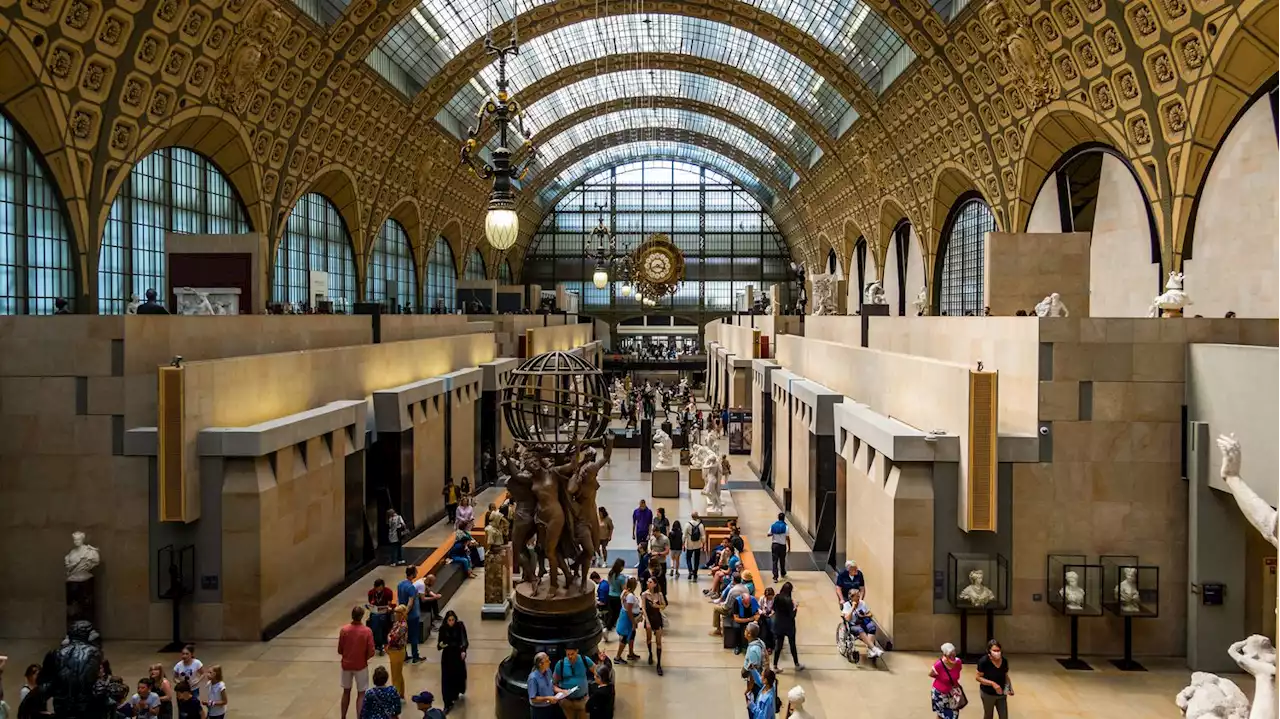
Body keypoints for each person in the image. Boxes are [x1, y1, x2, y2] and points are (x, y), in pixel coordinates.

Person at [339, 605, 376, 719]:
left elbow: (340, 649)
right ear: (361, 616)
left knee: (346, 692)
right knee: (361, 694)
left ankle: (343, 716)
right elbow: (371, 651)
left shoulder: (344, 630)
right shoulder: (367, 631)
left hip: (346, 665)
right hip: (361, 665)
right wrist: (363, 658)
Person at [436, 610, 469, 712]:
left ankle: (456, 692)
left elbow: (464, 639)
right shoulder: (443, 628)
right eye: (449, 620)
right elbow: (439, 644)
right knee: (447, 678)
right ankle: (447, 702)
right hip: (447, 656)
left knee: (458, 675)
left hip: (457, 655)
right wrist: (441, 645)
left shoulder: (460, 626)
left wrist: (463, 650)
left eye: (452, 620)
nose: (451, 622)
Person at [553, 647, 596, 719]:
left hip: (583, 701)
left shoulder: (584, 660)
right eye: (568, 654)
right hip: (567, 702)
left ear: (577, 651)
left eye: (572, 654)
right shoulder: (560, 664)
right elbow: (554, 684)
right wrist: (561, 692)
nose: (570, 657)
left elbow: (598, 673)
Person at [841, 588, 885, 659]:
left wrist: (864, 615)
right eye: (857, 596)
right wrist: (852, 608)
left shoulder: (862, 603)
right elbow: (847, 619)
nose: (858, 598)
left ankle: (870, 650)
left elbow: (870, 614)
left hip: (863, 622)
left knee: (872, 627)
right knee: (860, 630)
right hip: (853, 625)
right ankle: (873, 649)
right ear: (851, 597)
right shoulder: (846, 605)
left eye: (859, 596)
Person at [771, 582, 803, 671]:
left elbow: (773, 608)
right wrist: (795, 607)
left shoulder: (777, 597)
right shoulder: (788, 600)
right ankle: (796, 664)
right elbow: (792, 615)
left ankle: (775, 665)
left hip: (778, 624)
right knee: (792, 645)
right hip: (789, 626)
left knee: (778, 646)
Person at [976, 639, 1011, 719]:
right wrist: (992, 684)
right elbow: (978, 677)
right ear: (989, 651)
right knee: (988, 715)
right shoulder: (984, 661)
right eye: (994, 650)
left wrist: (1008, 689)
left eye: (998, 650)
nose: (997, 652)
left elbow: (1005, 676)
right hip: (988, 694)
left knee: (1004, 716)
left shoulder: (1004, 661)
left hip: (1001, 694)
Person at [930, 643, 965, 719]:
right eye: (950, 654)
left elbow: (957, 673)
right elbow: (931, 674)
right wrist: (942, 678)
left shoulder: (958, 662)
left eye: (954, 653)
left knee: (954, 714)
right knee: (941, 714)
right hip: (940, 693)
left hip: (953, 692)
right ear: (945, 654)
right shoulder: (939, 664)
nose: (952, 656)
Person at [641, 577, 668, 675]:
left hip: (657, 619)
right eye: (647, 581)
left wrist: (658, 606)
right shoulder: (644, 594)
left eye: (650, 582)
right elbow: (643, 608)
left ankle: (659, 664)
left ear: (655, 584)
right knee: (649, 639)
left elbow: (664, 605)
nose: (648, 583)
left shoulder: (659, 594)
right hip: (649, 618)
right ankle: (650, 653)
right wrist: (647, 621)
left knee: (658, 642)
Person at [527, 652, 567, 719]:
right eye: (547, 661)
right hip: (539, 710)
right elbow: (533, 699)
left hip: (550, 707)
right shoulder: (533, 678)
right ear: (540, 664)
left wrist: (562, 691)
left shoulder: (548, 671)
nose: (550, 662)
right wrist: (548, 698)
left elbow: (551, 686)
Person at [397, 567, 423, 664]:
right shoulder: (411, 587)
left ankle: (405, 655)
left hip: (401, 614)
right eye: (416, 572)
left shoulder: (400, 585)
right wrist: (406, 613)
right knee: (414, 636)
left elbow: (399, 600)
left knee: (404, 636)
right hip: (412, 616)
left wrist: (401, 613)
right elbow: (410, 602)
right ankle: (415, 656)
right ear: (412, 574)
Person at [613, 577, 642, 664]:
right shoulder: (630, 596)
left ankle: (631, 653)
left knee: (632, 635)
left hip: (627, 617)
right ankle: (617, 657)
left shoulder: (625, 592)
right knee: (625, 638)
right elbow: (629, 610)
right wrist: (633, 622)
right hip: (628, 620)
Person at [368, 578, 395, 655]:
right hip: (375, 612)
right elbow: (371, 604)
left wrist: (388, 608)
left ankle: (379, 643)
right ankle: (381, 643)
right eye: (376, 588)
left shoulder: (388, 592)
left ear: (382, 586)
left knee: (380, 620)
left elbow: (389, 604)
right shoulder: (371, 593)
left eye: (378, 588)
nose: (377, 590)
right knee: (376, 619)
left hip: (385, 612)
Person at [386, 606, 409, 698]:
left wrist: (389, 639)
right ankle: (401, 693)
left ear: (401, 614)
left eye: (397, 612)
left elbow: (394, 638)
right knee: (397, 673)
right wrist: (389, 637)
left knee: (396, 674)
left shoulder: (403, 625)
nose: (394, 614)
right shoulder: (397, 623)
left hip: (398, 651)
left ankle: (395, 695)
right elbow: (390, 633)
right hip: (394, 651)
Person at [585, 654, 615, 719]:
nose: (594, 677)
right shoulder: (611, 686)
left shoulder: (598, 693)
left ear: (600, 678)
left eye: (596, 676)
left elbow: (588, 707)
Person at [742, 622, 767, 693]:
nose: (744, 631)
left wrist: (749, 688)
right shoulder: (760, 642)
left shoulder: (753, 650)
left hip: (756, 683)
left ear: (749, 634)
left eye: (746, 630)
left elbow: (754, 671)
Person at [647, 525, 670, 598]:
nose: (654, 536)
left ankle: (663, 595)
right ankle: (653, 595)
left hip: (661, 562)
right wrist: (651, 553)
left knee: (661, 580)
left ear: (658, 532)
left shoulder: (665, 539)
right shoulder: (652, 538)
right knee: (653, 580)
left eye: (655, 534)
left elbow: (667, 551)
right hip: (653, 563)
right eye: (653, 534)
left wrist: (658, 554)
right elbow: (649, 549)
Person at [605, 559, 626, 638]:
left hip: (610, 596)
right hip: (618, 597)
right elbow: (624, 589)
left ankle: (607, 628)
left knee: (611, 613)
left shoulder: (610, 574)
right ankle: (613, 629)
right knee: (618, 615)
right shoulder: (621, 578)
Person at [768, 512, 791, 582]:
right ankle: (783, 573)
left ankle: (775, 577)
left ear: (778, 518)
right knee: (782, 560)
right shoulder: (786, 527)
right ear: (784, 518)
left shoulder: (773, 525)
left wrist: (774, 533)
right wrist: (789, 547)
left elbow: (768, 534)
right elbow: (787, 538)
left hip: (774, 545)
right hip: (782, 546)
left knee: (774, 561)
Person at [684, 512, 704, 580]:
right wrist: (703, 543)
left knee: (688, 558)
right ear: (697, 517)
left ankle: (690, 571)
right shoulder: (700, 525)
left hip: (689, 544)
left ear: (691, 516)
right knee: (697, 559)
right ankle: (695, 572)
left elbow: (684, 535)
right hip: (697, 544)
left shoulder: (687, 524)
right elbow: (703, 535)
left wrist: (683, 543)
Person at [593, 572, 611, 642]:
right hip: (609, 605)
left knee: (602, 622)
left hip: (604, 608)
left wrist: (595, 602)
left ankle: (605, 633)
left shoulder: (601, 588)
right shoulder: (605, 583)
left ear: (595, 579)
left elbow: (602, 603)